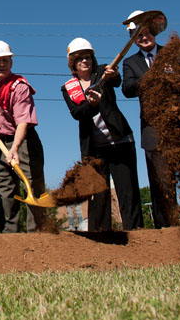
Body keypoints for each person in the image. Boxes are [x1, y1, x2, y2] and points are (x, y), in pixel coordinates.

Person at [120, 10, 180, 228]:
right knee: (162, 185)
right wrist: (153, 78)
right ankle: (167, 231)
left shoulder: (172, 53)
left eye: (147, 32)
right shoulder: (130, 63)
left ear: (154, 32)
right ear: (133, 39)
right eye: (138, 35)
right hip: (154, 129)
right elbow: (128, 89)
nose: (144, 37)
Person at [60, 38, 143, 231]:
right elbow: (77, 114)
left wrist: (113, 74)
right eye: (80, 58)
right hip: (95, 150)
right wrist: (91, 105)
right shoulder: (68, 88)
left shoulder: (103, 72)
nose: (85, 61)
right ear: (73, 63)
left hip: (120, 142)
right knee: (98, 194)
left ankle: (137, 233)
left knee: (128, 191)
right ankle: (99, 236)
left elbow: (116, 80)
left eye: (88, 57)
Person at [0, 40, 47, 233]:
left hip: (23, 140)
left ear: (11, 62)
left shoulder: (20, 86)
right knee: (5, 187)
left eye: (5, 60)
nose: (1, 64)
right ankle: (10, 235)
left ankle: (38, 233)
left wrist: (15, 149)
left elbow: (23, 121)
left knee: (31, 184)